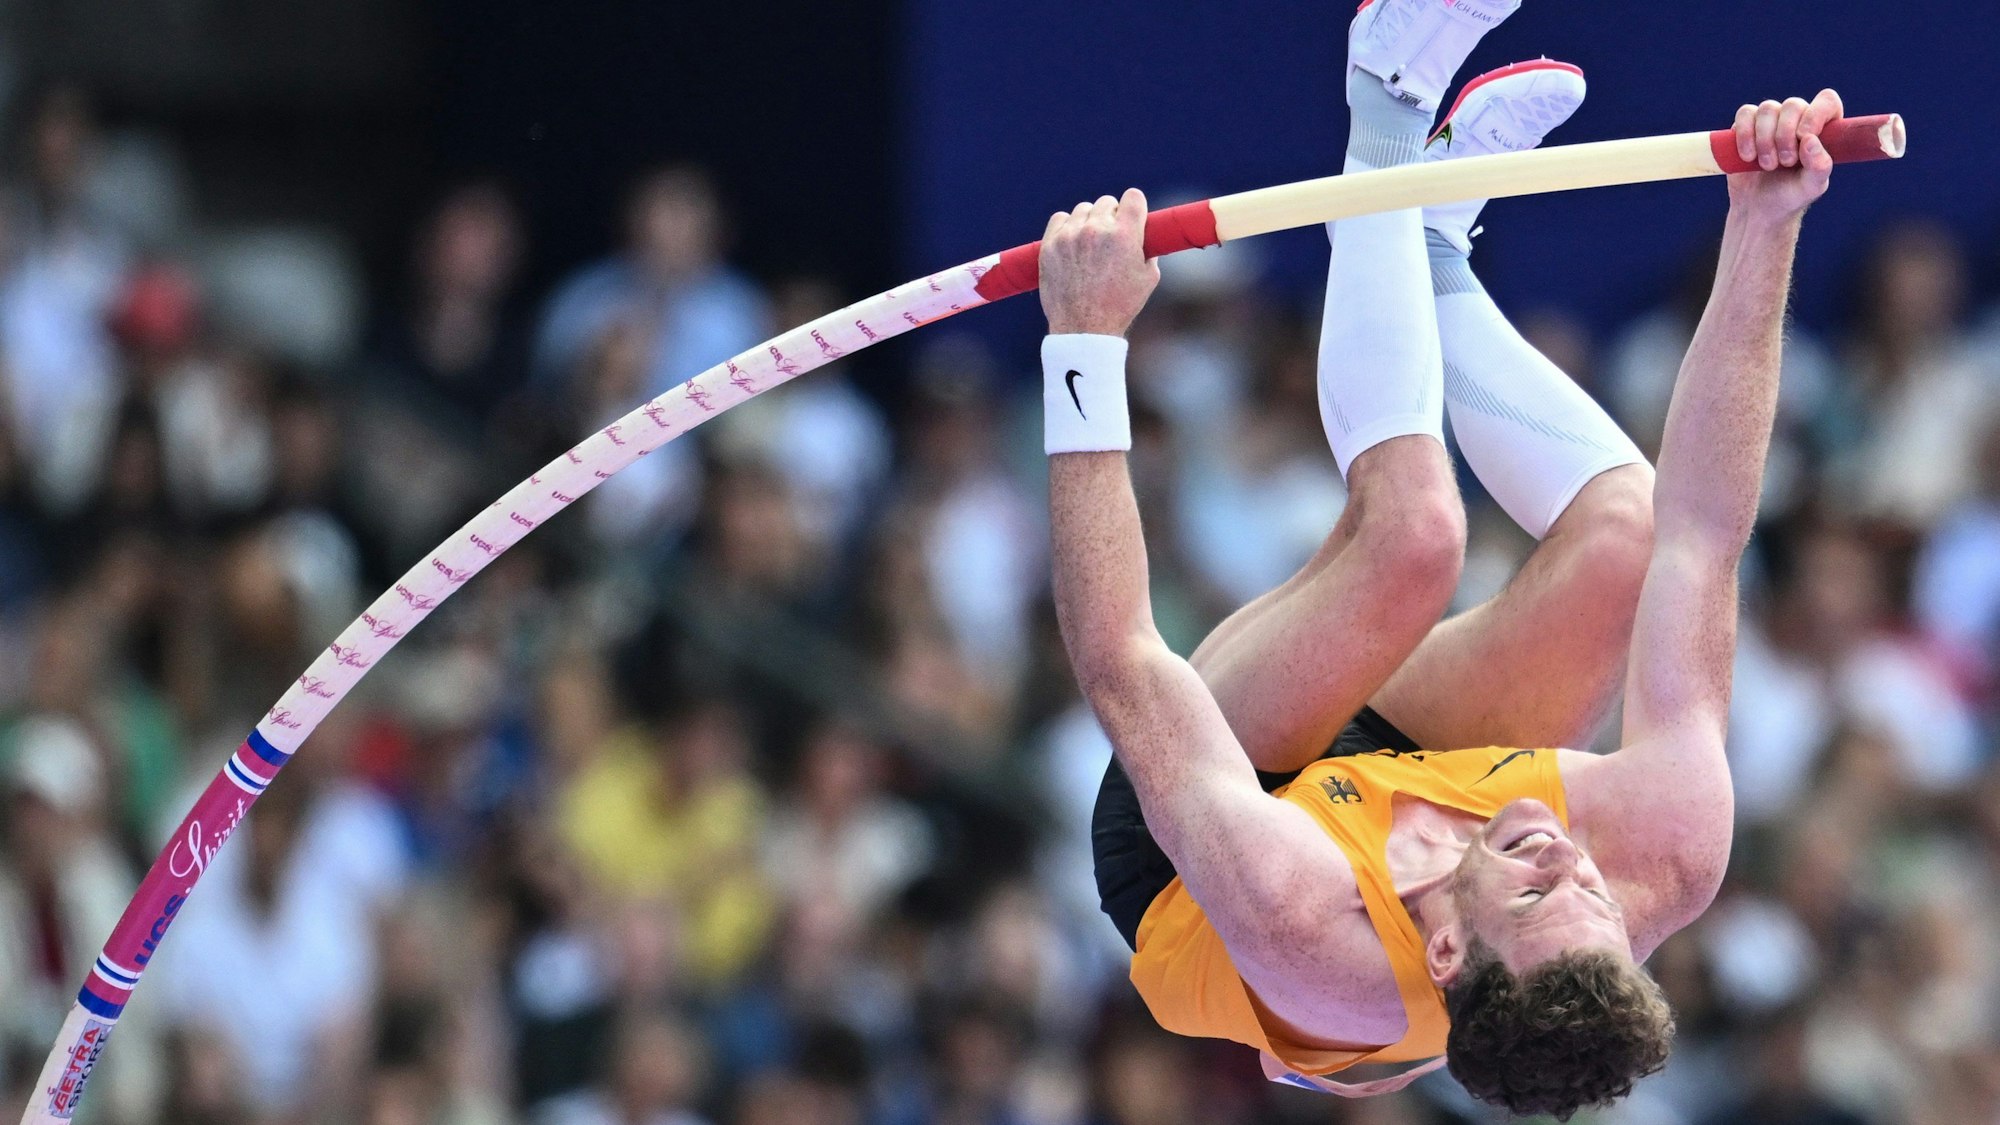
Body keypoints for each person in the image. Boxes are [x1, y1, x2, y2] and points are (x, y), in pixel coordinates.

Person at [1042, 0, 1844, 1117]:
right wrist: (1764, 225)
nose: (1558, 855)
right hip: (1392, 799)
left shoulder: (1297, 921)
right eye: (1593, 897)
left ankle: (1383, 101)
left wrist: (1082, 348)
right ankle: (1427, 246)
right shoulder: (1658, 853)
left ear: (1452, 957)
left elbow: (1122, 665)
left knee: (1413, 538)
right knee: (1630, 542)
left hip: (1200, 838)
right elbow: (1705, 534)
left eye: (1529, 892)